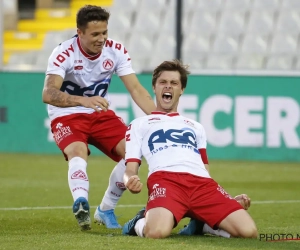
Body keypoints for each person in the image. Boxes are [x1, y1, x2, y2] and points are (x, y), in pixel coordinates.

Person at [42, 5, 156, 231]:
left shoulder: (116, 51)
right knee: (77, 150)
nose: (101, 38)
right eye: (95, 34)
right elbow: (48, 93)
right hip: (67, 114)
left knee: (133, 151)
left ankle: (105, 209)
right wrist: (82, 100)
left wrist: (160, 118)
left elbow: (135, 89)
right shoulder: (63, 53)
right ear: (80, 32)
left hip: (98, 113)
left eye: (104, 32)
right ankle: (80, 202)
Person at [122, 60, 258, 239]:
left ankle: (202, 225)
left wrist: (227, 201)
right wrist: (129, 180)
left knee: (249, 233)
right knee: (156, 232)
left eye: (174, 83)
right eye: (163, 82)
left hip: (202, 185)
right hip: (166, 181)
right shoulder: (139, 124)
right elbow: (130, 169)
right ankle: (138, 222)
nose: (168, 87)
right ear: (154, 88)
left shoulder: (196, 126)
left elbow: (205, 170)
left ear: (181, 90)